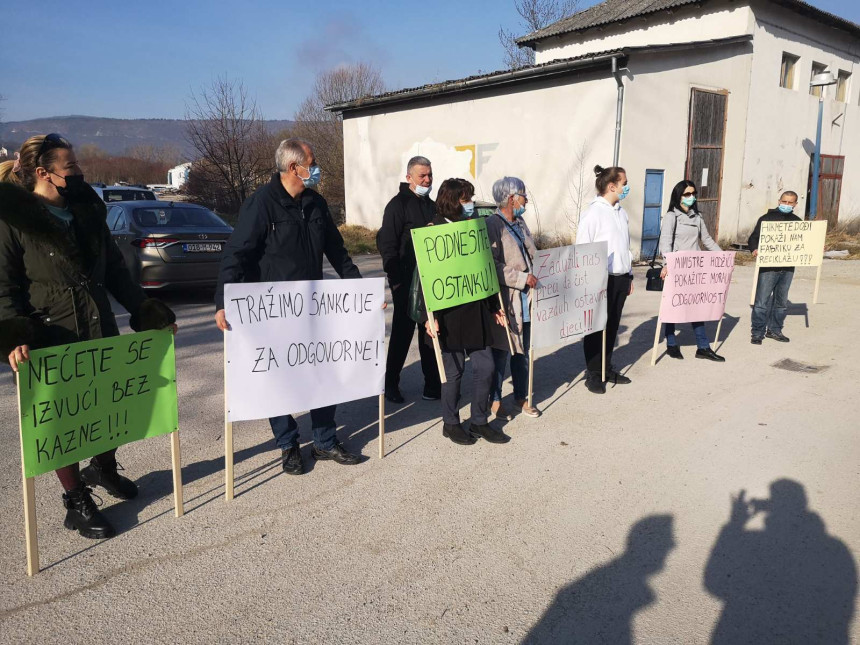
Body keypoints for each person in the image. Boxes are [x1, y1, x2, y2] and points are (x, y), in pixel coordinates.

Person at [0, 134, 177, 539]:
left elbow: (116, 271)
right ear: (44, 173)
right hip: (50, 339)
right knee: (62, 424)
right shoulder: (11, 219)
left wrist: (148, 312)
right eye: (71, 167)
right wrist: (13, 335)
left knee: (108, 407)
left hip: (98, 328)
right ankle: (76, 500)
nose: (79, 172)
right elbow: (3, 286)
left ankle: (105, 469)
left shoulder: (87, 211)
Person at [215, 138, 366, 475]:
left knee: (324, 371)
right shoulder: (261, 204)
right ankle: (288, 444)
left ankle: (325, 441)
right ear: (294, 167)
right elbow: (235, 254)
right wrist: (223, 300)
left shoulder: (316, 203)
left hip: (313, 306)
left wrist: (360, 291)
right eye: (311, 162)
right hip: (273, 309)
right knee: (279, 379)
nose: (316, 167)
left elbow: (337, 251)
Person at [704, 480, 856, 644]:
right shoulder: (835, 549)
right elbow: (842, 608)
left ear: (770, 507)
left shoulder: (754, 544)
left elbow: (714, 581)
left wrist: (735, 525)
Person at [420, 179, 510, 446]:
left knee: (486, 367)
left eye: (470, 198)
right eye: (465, 199)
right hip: (448, 316)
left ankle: (480, 421)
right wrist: (427, 317)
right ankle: (451, 423)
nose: (471, 203)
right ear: (452, 201)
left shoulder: (474, 229)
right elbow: (422, 280)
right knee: (453, 373)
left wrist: (495, 306)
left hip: (476, 313)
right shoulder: (432, 231)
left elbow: (485, 270)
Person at [376, 156, 441, 404]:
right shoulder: (397, 206)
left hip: (429, 281)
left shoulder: (432, 205)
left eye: (430, 175)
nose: (427, 180)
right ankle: (390, 383)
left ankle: (432, 384)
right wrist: (396, 280)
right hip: (405, 281)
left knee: (429, 332)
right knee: (402, 335)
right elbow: (388, 245)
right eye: (422, 176)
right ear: (409, 178)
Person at [575, 165, 634, 394]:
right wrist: (586, 281)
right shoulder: (593, 213)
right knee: (595, 327)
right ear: (612, 186)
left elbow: (624, 245)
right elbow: (582, 248)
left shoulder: (621, 212)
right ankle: (592, 373)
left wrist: (628, 274)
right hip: (600, 279)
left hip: (620, 277)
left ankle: (606, 367)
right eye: (624, 183)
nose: (627, 187)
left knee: (612, 326)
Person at [486, 177, 540, 419]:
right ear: (510, 198)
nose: (526, 200)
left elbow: (532, 253)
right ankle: (495, 400)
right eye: (523, 195)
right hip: (507, 298)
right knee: (502, 352)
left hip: (527, 299)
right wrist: (520, 278)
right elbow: (492, 264)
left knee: (523, 351)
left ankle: (521, 395)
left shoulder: (520, 222)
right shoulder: (491, 225)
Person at [658, 180, 725, 361]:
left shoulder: (697, 217)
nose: (691, 197)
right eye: (687, 194)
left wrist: (724, 258)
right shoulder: (672, 216)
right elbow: (665, 243)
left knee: (697, 307)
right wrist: (667, 263)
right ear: (679, 196)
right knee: (673, 306)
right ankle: (671, 343)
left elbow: (707, 240)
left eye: (693, 193)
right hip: (677, 268)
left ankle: (703, 347)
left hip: (696, 268)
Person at [747, 191, 801, 344]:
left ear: (795, 204)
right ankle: (757, 333)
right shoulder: (766, 219)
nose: (787, 205)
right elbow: (754, 238)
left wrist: (815, 249)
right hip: (769, 267)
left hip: (788, 267)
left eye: (790, 203)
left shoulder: (798, 222)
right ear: (779, 201)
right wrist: (754, 249)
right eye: (784, 201)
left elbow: (805, 242)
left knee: (781, 302)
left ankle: (775, 330)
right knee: (761, 301)